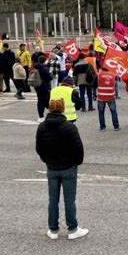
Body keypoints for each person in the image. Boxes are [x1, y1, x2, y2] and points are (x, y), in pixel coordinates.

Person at [35, 99, 88, 240]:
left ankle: (53, 229)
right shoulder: (69, 127)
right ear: (62, 109)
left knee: (53, 200)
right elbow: (78, 147)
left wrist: (47, 160)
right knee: (69, 200)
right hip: (68, 166)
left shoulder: (42, 127)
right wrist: (77, 162)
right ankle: (72, 228)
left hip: (52, 166)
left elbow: (39, 148)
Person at [34, 55, 52, 122]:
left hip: (37, 85)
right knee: (45, 100)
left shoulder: (35, 67)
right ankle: (48, 114)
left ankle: (40, 116)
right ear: (44, 60)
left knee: (40, 100)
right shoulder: (44, 68)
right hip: (44, 86)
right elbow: (49, 77)